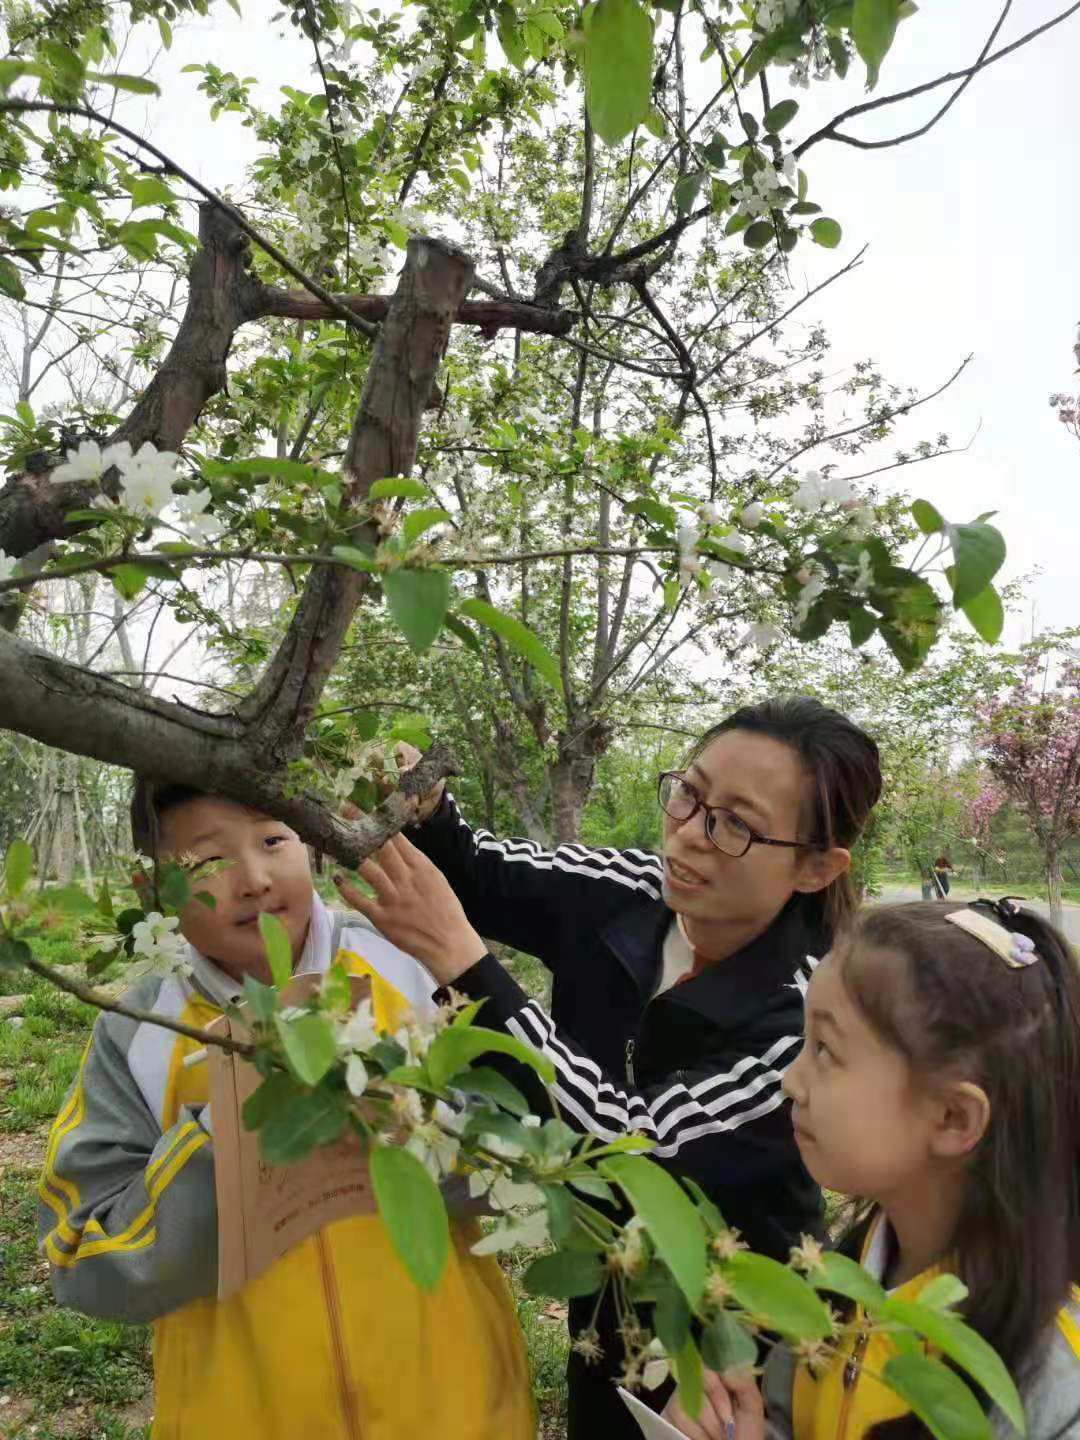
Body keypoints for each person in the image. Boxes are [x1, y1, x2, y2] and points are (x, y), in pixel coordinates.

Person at [333, 695, 884, 1439]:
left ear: (818, 867)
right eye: (688, 794)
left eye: (735, 826)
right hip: (608, 1300)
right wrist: (425, 806)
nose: (688, 836)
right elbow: (480, 870)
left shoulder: (805, 1018)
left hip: (734, 1336)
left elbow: (634, 1144)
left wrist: (463, 964)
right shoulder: (627, 889)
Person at [37, 783, 532, 1440]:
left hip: (455, 1405)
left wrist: (412, 1123)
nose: (255, 880)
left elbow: (536, 1136)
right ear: (151, 886)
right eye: (207, 862)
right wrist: (232, 1131)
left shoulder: (409, 964)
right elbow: (83, 1257)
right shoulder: (144, 1033)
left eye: (274, 840)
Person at [660, 899, 1080, 1440]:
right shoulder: (843, 1279)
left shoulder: (1050, 1380)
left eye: (825, 1051)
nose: (791, 1080)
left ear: (952, 1117)